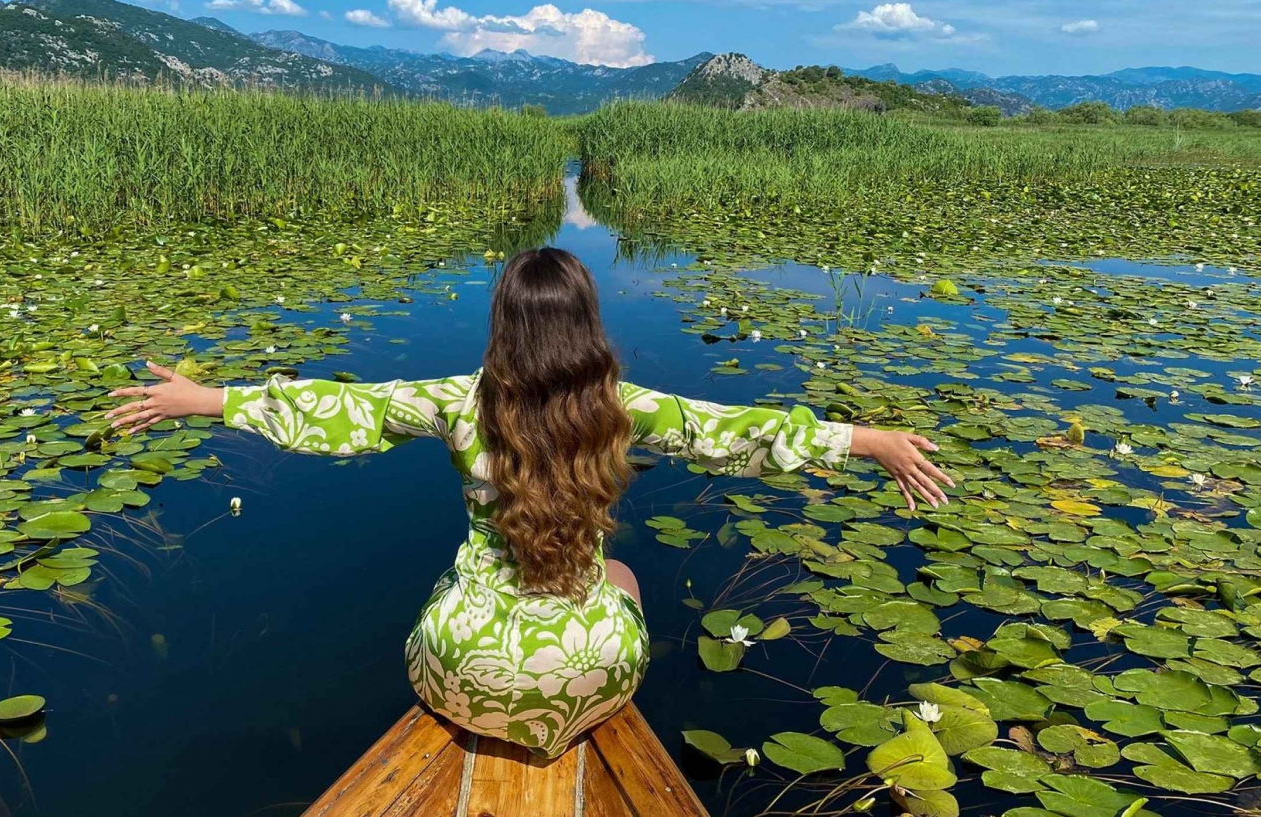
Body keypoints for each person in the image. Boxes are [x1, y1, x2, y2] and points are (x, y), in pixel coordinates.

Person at [104, 247, 952, 758]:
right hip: (592, 678)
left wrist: (210, 398)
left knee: (449, 592)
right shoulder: (620, 409)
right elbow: (735, 430)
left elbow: (340, 409)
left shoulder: (458, 401)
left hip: (461, 672)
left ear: (504, 325)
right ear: (585, 326)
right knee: (617, 569)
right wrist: (866, 440)